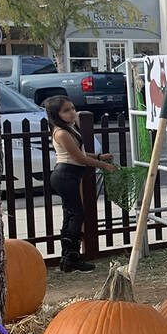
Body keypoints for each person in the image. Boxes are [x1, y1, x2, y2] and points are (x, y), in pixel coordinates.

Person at [43, 96, 115, 272]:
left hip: (71, 175)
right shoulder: (61, 132)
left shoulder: (70, 129)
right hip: (65, 175)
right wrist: (104, 166)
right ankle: (71, 258)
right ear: (56, 114)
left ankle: (68, 259)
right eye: (66, 110)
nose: (72, 113)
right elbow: (78, 157)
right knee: (76, 214)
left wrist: (98, 157)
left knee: (72, 214)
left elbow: (80, 152)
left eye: (73, 108)